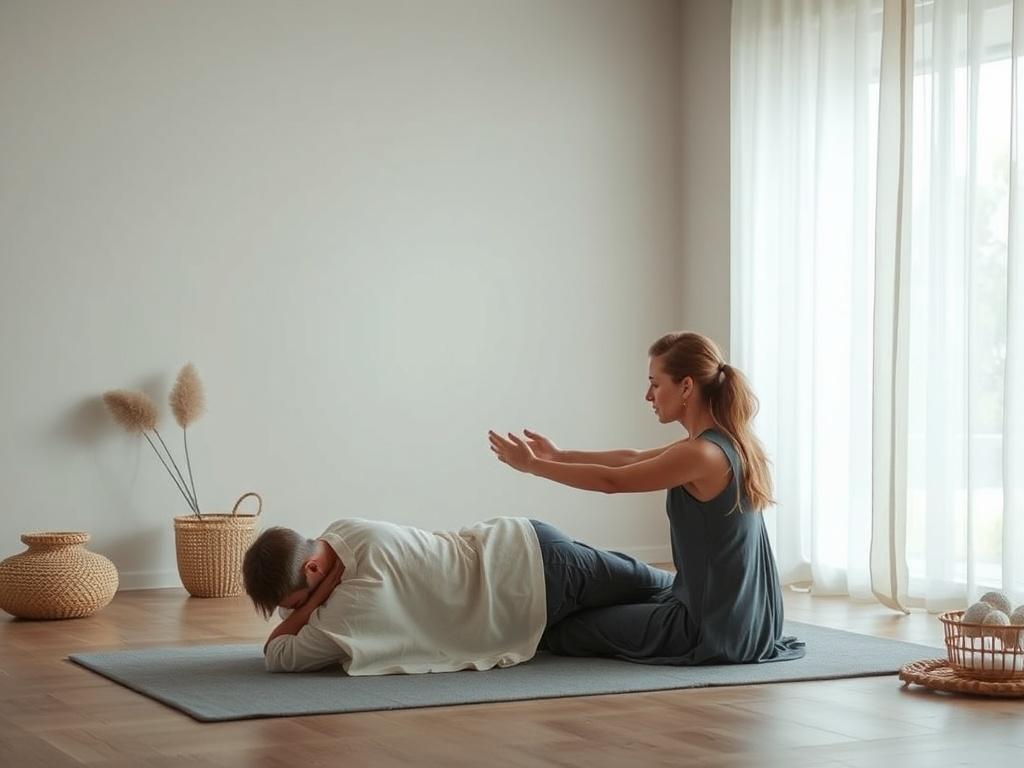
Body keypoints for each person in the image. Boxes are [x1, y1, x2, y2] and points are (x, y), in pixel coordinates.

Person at [488, 331, 805, 665]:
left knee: (570, 629)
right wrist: (559, 456)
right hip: (746, 619)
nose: (648, 395)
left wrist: (534, 466)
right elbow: (633, 458)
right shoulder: (723, 443)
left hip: (707, 628)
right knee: (626, 590)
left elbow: (613, 481)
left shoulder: (701, 454)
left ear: (686, 386)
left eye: (655, 384)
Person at [243, 515, 675, 674]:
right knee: (654, 603)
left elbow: (278, 654)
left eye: (296, 603)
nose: (296, 612)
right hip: (528, 571)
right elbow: (287, 625)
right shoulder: (344, 529)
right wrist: (315, 595)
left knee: (664, 587)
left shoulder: (349, 605)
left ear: (312, 569)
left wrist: (312, 605)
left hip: (542, 569)